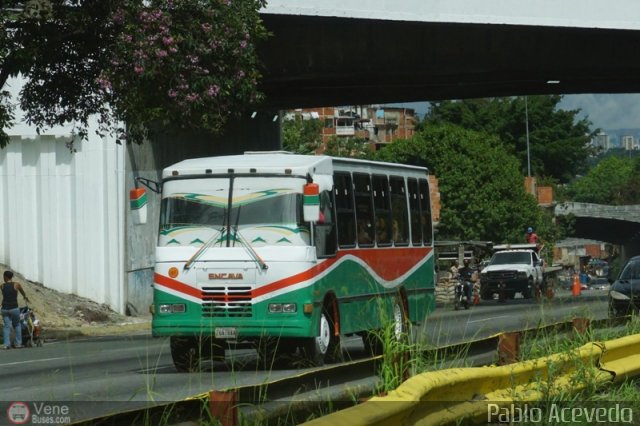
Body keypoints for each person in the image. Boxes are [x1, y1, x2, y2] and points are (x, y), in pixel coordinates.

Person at [1, 270, 29, 349]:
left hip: (4, 309)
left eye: (3, 276)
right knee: (17, 325)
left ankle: (6, 344)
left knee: (6, 326)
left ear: (6, 277)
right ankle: (18, 343)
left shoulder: (2, 286)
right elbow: (22, 292)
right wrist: (25, 297)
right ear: (11, 277)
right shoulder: (17, 285)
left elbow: (5, 295)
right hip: (14, 308)